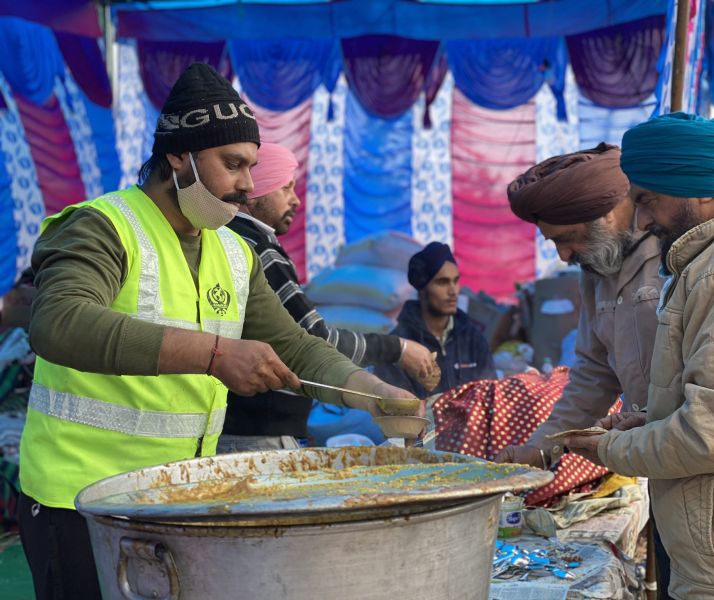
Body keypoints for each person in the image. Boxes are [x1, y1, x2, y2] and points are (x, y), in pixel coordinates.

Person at [16, 63, 416, 600]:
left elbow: (294, 345)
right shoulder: (101, 226)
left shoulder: (234, 250)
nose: (248, 187)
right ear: (179, 156)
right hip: (80, 503)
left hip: (174, 499)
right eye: (233, 165)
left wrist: (375, 393)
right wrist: (214, 354)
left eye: (251, 167)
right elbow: (59, 324)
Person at [564, 113, 714, 599]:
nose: (644, 219)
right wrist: (649, 422)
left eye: (649, 199)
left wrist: (610, 450)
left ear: (697, 189)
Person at [496, 143, 670, 597]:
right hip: (666, 469)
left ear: (609, 213)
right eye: (553, 241)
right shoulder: (597, 269)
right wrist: (541, 449)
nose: (563, 254)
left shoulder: (675, 254)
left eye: (567, 238)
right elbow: (593, 372)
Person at [219, 142, 436, 451]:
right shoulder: (262, 251)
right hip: (256, 432)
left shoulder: (228, 241)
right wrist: (396, 350)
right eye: (286, 188)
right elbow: (314, 342)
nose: (295, 200)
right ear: (257, 190)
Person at [373, 242, 495, 398]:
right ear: (423, 288)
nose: (453, 291)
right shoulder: (398, 348)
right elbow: (398, 414)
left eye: (455, 281)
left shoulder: (473, 340)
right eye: (442, 282)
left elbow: (491, 398)